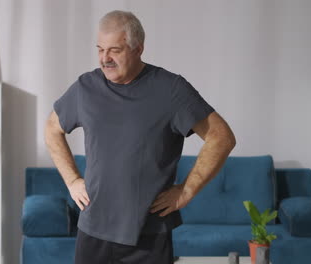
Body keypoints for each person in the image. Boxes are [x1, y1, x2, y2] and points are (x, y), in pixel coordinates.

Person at [44, 10, 236, 264]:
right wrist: (72, 180)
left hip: (149, 234)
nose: (105, 59)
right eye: (100, 49)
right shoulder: (85, 88)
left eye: (115, 50)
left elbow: (221, 136)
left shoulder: (171, 89)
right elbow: (51, 128)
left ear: (138, 49)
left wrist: (187, 189)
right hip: (94, 229)